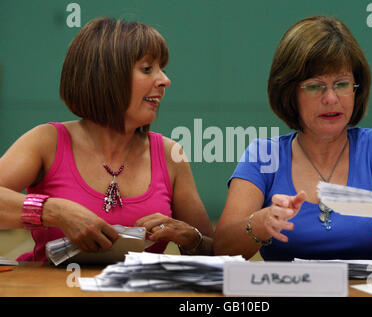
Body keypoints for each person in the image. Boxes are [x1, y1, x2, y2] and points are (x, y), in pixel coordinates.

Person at [214, 16, 372, 261]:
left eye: (342, 84)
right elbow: (222, 248)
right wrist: (260, 222)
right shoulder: (263, 155)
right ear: (289, 93)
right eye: (315, 86)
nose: (331, 98)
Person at [0, 17, 214, 261]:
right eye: (147, 69)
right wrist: (53, 210)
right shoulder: (46, 141)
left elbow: (215, 252)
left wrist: (189, 236)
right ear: (107, 77)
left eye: (162, 69)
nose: (165, 80)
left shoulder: (169, 154)